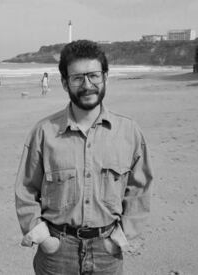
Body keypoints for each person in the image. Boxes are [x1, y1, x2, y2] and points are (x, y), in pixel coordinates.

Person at [15, 40, 153, 275]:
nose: (87, 85)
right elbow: (26, 189)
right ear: (64, 82)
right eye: (78, 77)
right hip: (57, 251)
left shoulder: (129, 132)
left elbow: (140, 189)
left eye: (93, 76)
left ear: (105, 77)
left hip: (107, 251)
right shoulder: (44, 132)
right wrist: (44, 238)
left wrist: (119, 238)